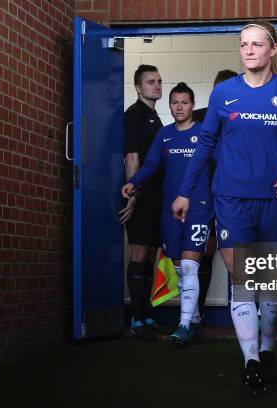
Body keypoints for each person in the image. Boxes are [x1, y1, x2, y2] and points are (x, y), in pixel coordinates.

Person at [172, 20, 277, 391]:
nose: (249, 50)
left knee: (271, 287)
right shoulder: (224, 94)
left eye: (256, 44)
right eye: (243, 44)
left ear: (272, 50)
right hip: (232, 201)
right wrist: (186, 191)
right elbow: (205, 146)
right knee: (243, 281)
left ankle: (267, 349)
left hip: (274, 201)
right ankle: (251, 361)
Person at [122, 82, 214, 346]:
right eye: (175, 102)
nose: (179, 107)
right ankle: (193, 318)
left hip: (199, 208)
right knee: (180, 268)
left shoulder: (205, 134)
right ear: (169, 105)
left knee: (189, 266)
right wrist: (134, 181)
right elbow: (151, 165)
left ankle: (183, 324)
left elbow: (222, 164)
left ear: (193, 105)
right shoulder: (164, 135)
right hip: (169, 210)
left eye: (184, 102)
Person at [120, 64, 163, 338]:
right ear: (138, 87)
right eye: (150, 82)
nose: (157, 86)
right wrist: (133, 195)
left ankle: (145, 312)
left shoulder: (153, 116)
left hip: (157, 195)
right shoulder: (134, 115)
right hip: (141, 195)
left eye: (159, 81)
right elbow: (132, 156)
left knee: (150, 254)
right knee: (139, 252)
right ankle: (136, 316)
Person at [192, 69, 238, 318]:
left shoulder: (242, 117)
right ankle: (195, 314)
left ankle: (243, 313)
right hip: (203, 196)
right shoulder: (198, 119)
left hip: (233, 196)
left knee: (238, 255)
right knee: (203, 253)